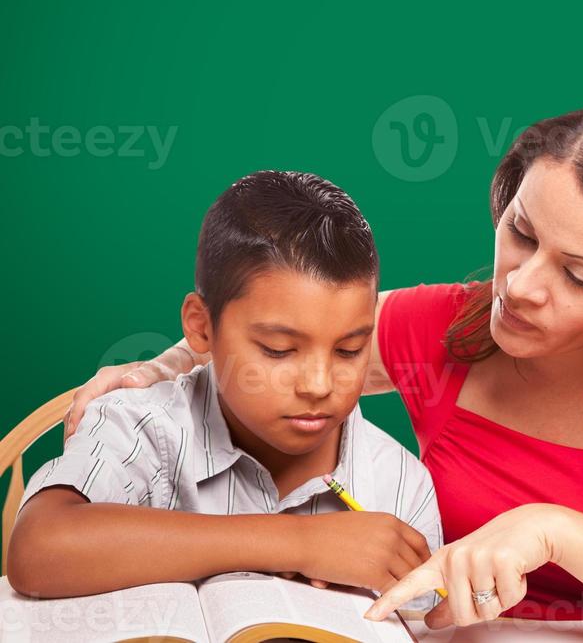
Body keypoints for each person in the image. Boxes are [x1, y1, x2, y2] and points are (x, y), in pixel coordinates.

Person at [64, 103, 583, 641]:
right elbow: (275, 344)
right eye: (521, 234)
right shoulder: (454, 328)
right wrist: (160, 369)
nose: (522, 285)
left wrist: (553, 532)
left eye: (581, 276)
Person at [9, 170, 440, 607]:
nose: (318, 385)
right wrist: (297, 543)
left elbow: (427, 625)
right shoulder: (144, 429)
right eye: (278, 350)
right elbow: (38, 549)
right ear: (200, 327)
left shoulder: (400, 484)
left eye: (349, 350)